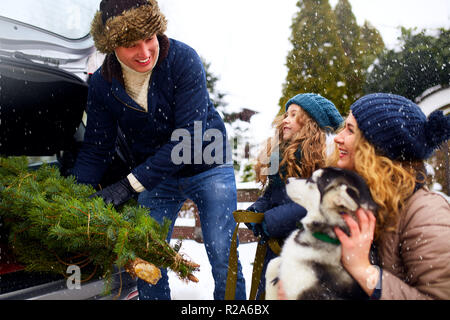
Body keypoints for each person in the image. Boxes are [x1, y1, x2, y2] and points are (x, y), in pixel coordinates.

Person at [71, 0, 246, 300]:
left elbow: (188, 141)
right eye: (130, 44)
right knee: (147, 254)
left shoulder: (183, 60)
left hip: (207, 163)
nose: (144, 52)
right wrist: (73, 198)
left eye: (149, 38)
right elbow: (96, 149)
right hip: (157, 176)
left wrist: (128, 185)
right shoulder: (102, 84)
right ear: (112, 43)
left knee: (220, 248)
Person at [328, 93, 450, 299]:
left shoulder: (426, 214)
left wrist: (365, 272)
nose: (338, 137)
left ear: (376, 149)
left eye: (350, 130)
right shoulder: (357, 196)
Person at [246, 93, 343, 298]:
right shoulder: (282, 154)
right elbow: (273, 192)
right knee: (268, 290)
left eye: (294, 115)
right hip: (276, 243)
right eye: (286, 115)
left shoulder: (324, 159)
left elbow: (314, 202)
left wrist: (273, 220)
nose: (286, 120)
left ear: (310, 123)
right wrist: (257, 210)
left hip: (305, 247)